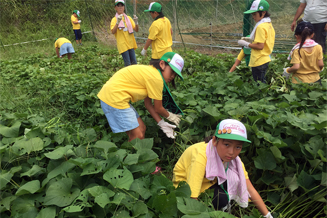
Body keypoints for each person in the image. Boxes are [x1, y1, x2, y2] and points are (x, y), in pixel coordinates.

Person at [172, 119, 273, 218]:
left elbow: (249, 188)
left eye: (238, 147)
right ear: (215, 140)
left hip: (209, 181)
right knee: (221, 198)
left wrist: (268, 216)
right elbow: (192, 195)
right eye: (227, 144)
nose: (231, 152)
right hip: (184, 186)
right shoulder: (201, 156)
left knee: (236, 178)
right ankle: (214, 209)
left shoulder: (235, 160)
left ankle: (219, 207)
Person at [97, 52, 184, 142]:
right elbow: (158, 108)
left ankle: (134, 152)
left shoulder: (152, 74)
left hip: (115, 96)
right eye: (172, 71)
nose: (173, 76)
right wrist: (170, 116)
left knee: (141, 129)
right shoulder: (156, 78)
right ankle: (131, 155)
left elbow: (148, 104)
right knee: (138, 136)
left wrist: (161, 123)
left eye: (175, 74)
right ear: (162, 64)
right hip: (114, 98)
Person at [237, 0, 275, 83]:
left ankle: (262, 96)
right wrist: (248, 40)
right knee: (261, 82)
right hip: (265, 58)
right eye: (252, 14)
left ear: (263, 12)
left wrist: (246, 44)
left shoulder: (261, 27)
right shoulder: (268, 24)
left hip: (259, 60)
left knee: (259, 84)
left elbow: (260, 46)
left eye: (255, 14)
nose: (253, 16)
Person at [111, 0, 139, 66]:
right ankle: (127, 76)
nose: (120, 7)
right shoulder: (114, 19)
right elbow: (113, 31)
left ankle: (134, 76)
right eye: (118, 6)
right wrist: (117, 23)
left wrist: (136, 23)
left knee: (134, 63)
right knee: (128, 64)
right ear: (115, 7)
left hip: (130, 43)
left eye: (122, 5)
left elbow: (136, 30)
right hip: (123, 45)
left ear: (124, 7)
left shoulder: (128, 18)